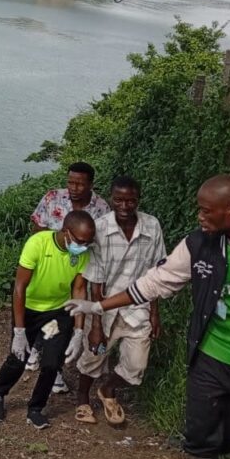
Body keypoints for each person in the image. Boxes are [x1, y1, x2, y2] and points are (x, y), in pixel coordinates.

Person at [66, 175, 230, 459]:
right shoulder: (199, 245)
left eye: (207, 211)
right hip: (209, 357)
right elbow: (155, 281)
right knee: (198, 437)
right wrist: (98, 308)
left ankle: (210, 449)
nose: (200, 216)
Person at [0, 210, 95, 429]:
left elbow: (78, 289)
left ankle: (36, 407)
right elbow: (19, 288)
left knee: (51, 362)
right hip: (29, 310)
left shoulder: (82, 254)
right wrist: (19, 331)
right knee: (19, 357)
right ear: (66, 232)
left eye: (88, 242)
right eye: (80, 241)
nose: (84, 246)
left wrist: (78, 331)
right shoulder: (37, 244)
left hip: (57, 313)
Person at [74, 175, 166, 425]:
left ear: (139, 200)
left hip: (138, 309)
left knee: (136, 366)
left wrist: (155, 313)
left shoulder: (152, 226)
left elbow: (156, 274)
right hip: (104, 310)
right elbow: (95, 280)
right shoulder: (100, 228)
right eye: (119, 200)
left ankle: (108, 390)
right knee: (95, 354)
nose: (124, 206)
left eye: (131, 201)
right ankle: (82, 397)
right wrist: (95, 326)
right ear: (111, 199)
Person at [28, 162, 111, 393]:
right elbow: (37, 228)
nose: (73, 188)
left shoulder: (101, 209)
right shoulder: (53, 198)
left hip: (80, 269)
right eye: (70, 182)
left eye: (80, 184)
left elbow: (100, 244)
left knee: (65, 317)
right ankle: (37, 344)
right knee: (45, 312)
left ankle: (54, 369)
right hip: (50, 267)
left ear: (91, 185)